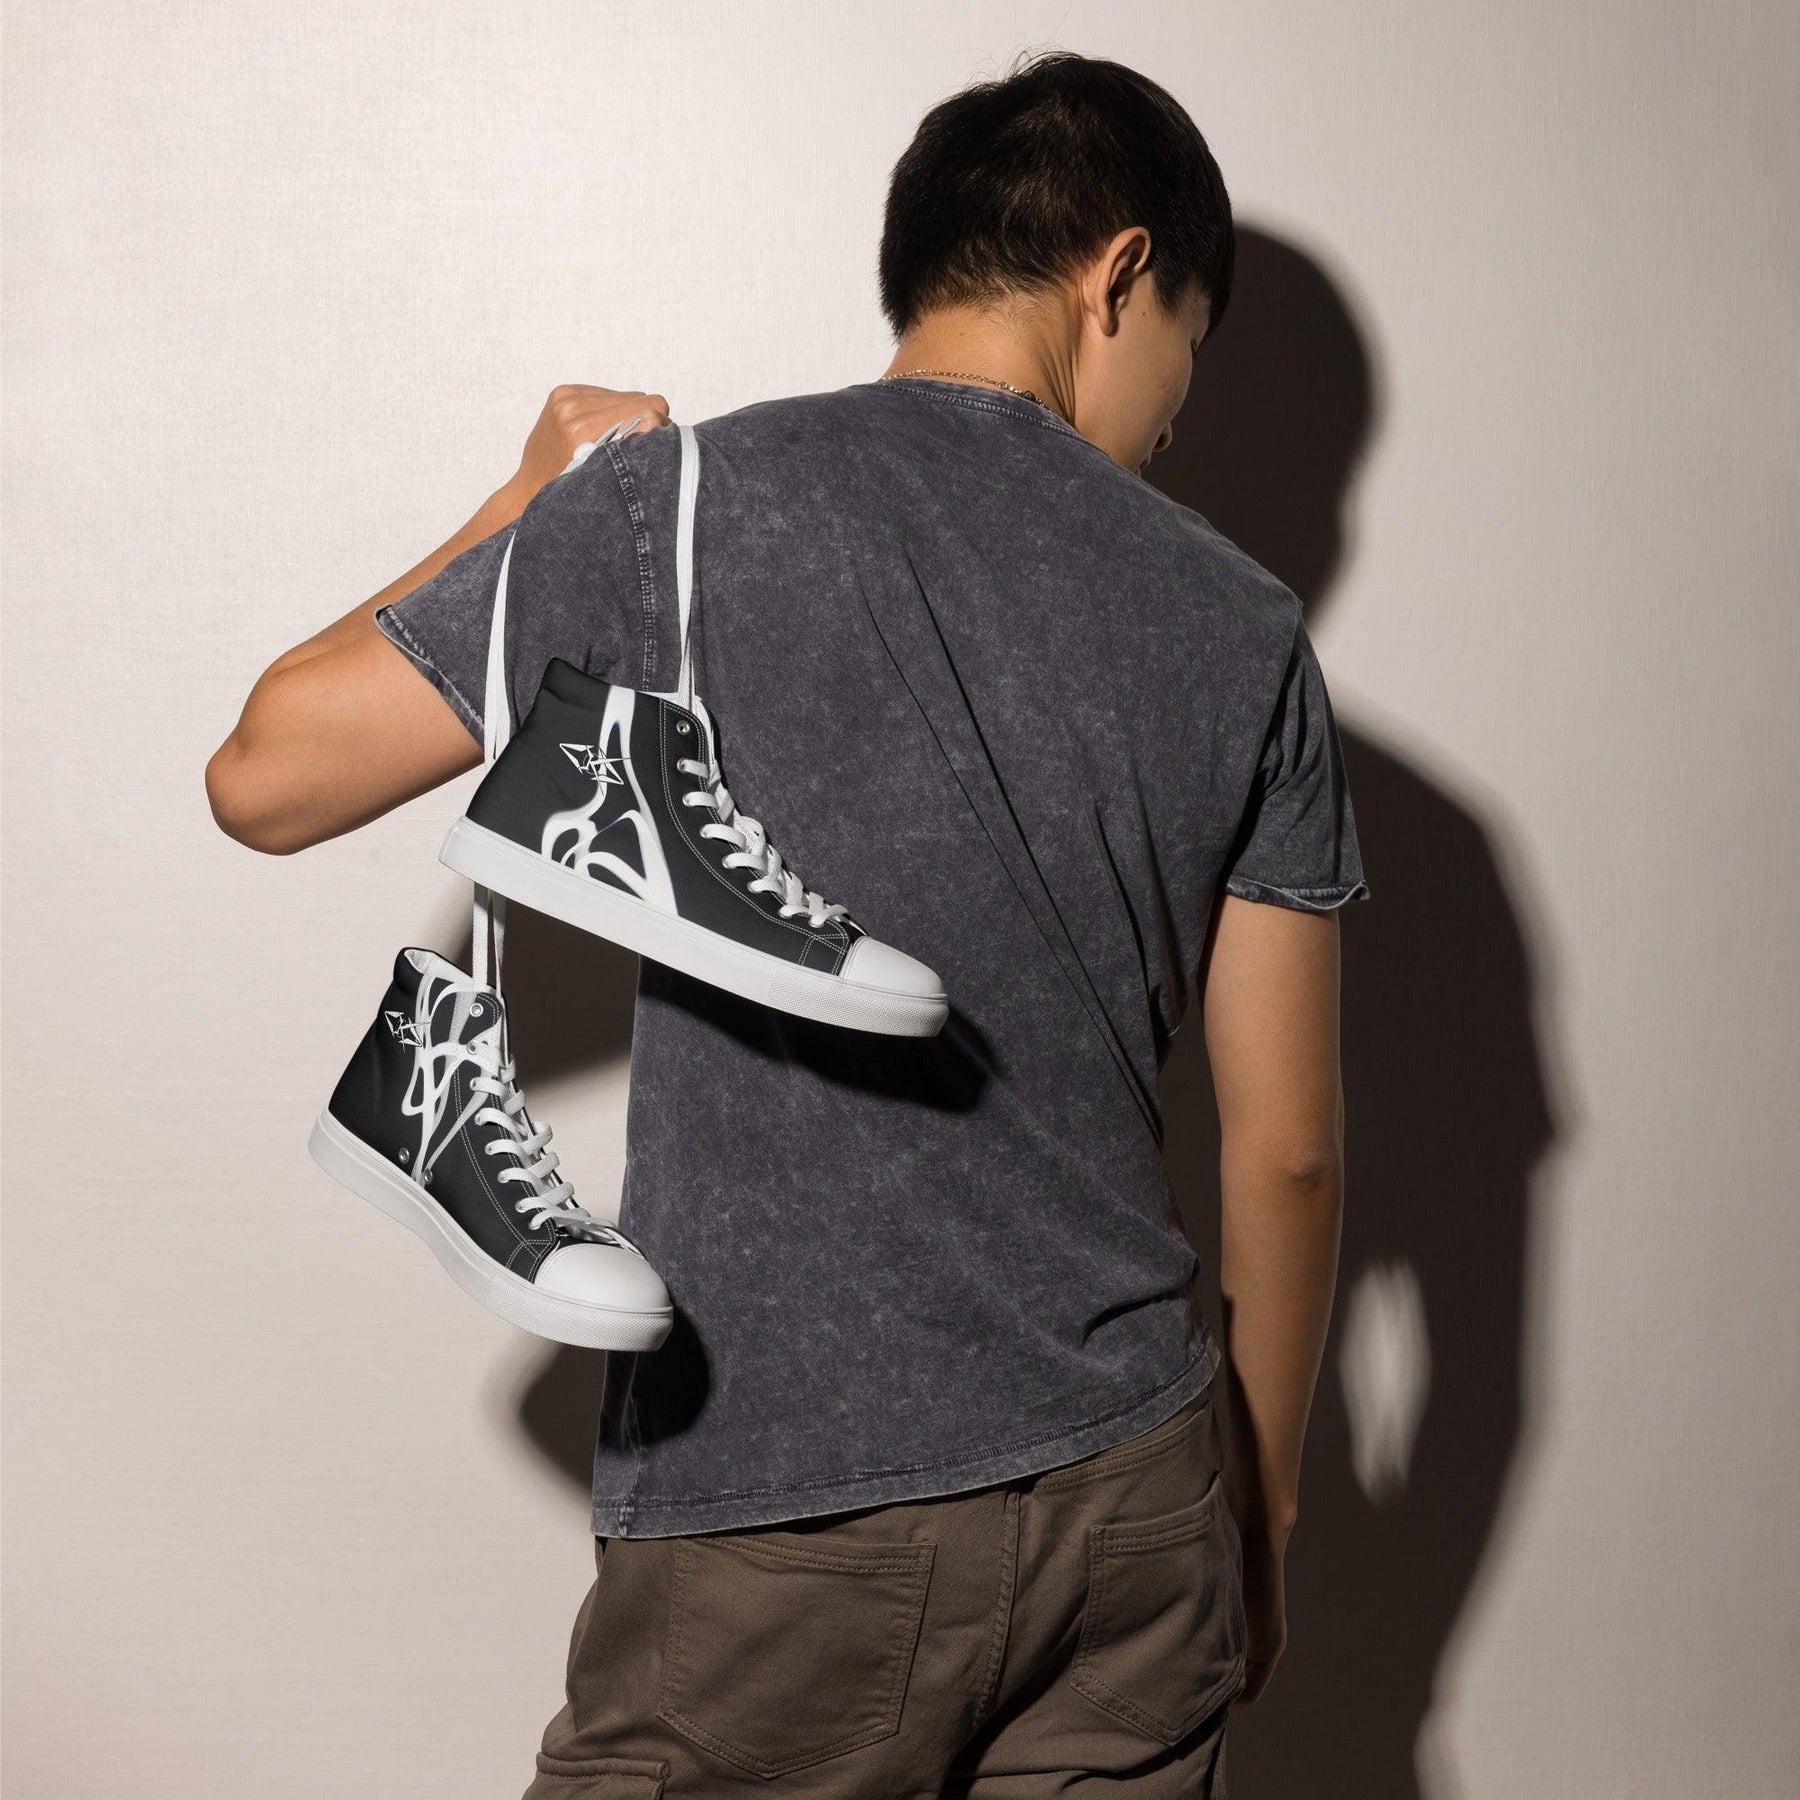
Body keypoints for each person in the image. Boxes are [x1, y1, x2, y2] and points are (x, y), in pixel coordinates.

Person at [207, 48, 1367, 1800]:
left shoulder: (675, 514)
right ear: (1119, 275)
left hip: (781, 1502)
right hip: (1132, 1498)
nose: (1171, 418)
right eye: (1187, 354)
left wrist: (527, 506)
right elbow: (1287, 1153)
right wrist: (1256, 1510)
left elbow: (267, 775)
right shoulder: (1244, 625)